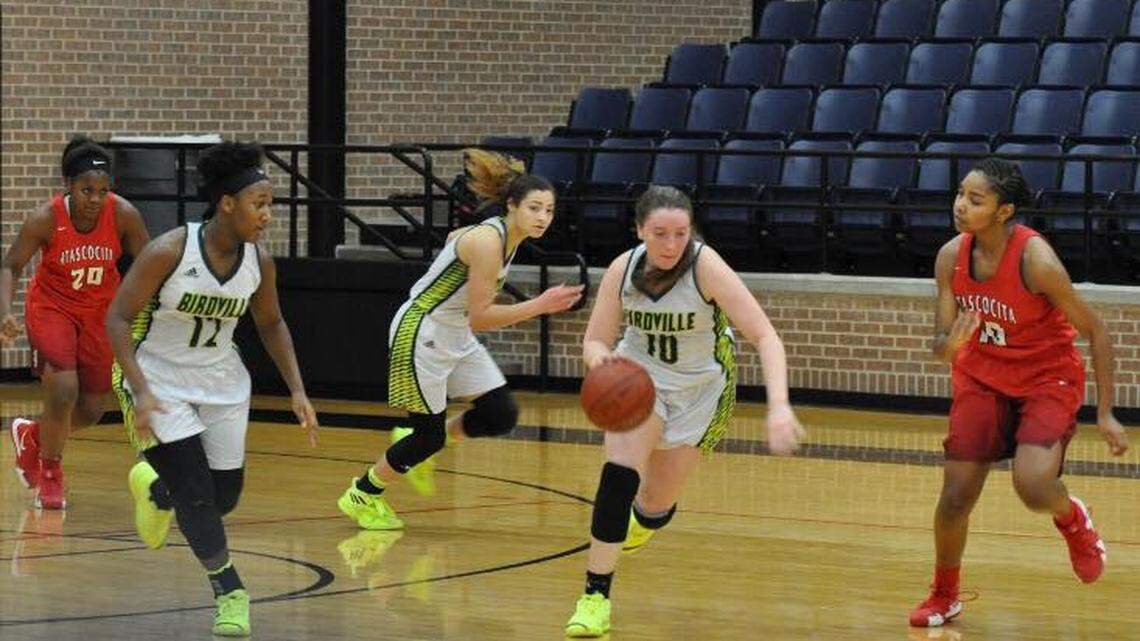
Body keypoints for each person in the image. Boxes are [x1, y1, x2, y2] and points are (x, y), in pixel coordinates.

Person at [564, 185, 806, 637]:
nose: (671, 244)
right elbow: (595, 339)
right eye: (659, 234)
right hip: (639, 383)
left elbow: (766, 336)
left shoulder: (706, 267)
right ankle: (595, 596)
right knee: (618, 478)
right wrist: (602, 364)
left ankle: (642, 521)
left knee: (657, 502)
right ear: (639, 231)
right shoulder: (623, 269)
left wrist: (778, 407)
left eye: (681, 233)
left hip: (701, 390)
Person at [105, 141, 318, 637]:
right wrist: (139, 388)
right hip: (159, 378)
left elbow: (271, 324)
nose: (267, 215)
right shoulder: (171, 251)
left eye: (270, 205)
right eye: (258, 204)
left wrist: (298, 390)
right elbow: (117, 317)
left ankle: (156, 491)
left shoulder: (259, 263)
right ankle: (230, 591)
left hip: (223, 380)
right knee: (198, 495)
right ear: (227, 203)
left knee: (223, 497)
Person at [908, 158, 1131, 628]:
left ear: (1004, 211)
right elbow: (939, 345)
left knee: (1032, 488)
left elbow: (1097, 329)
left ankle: (1073, 520)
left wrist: (1107, 412)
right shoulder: (951, 256)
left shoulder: (1036, 261)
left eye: (975, 199)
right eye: (960, 194)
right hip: (982, 378)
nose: (960, 206)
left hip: (1046, 379)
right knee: (954, 497)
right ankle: (944, 595)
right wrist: (951, 345)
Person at [336, 149, 583, 529]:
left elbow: (457, 241)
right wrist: (540, 304)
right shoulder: (489, 241)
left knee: (500, 413)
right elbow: (482, 318)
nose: (543, 218)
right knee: (427, 437)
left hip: (454, 329)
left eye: (549, 210)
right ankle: (363, 493)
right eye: (534, 208)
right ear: (513, 206)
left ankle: (419, 445)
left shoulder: (503, 234)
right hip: (423, 330)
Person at [1, 136, 150, 509]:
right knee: (64, 389)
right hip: (53, 308)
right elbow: (11, 265)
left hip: (101, 313)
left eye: (103, 190)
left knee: (93, 408)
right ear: (68, 186)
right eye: (87, 190)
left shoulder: (124, 215)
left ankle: (32, 435)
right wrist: (5, 310)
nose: (96, 199)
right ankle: (51, 475)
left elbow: (150, 263)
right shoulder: (46, 219)